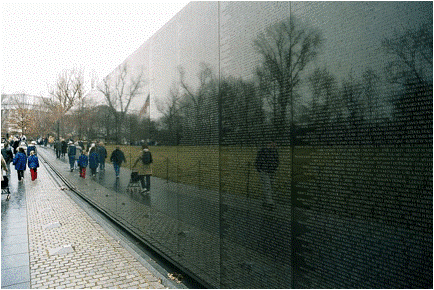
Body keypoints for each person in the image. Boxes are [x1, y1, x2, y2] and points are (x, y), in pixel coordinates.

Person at [255, 141, 279, 208]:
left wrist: (274, 167)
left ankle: (266, 201)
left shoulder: (274, 151)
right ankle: (269, 202)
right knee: (267, 186)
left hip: (271, 171)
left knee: (270, 186)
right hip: (264, 171)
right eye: (272, 143)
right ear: (269, 143)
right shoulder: (262, 151)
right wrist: (260, 169)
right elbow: (258, 160)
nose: (274, 144)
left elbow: (277, 160)